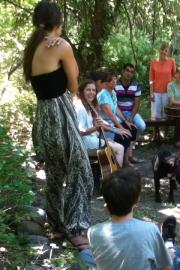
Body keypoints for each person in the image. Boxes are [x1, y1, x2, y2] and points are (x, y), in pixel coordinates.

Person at [23, 1, 93, 246]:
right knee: (81, 171)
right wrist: (65, 50)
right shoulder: (61, 46)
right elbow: (75, 87)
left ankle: (56, 226)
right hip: (60, 113)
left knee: (55, 173)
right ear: (58, 21)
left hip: (43, 117)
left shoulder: (31, 48)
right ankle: (76, 229)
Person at [88, 168, 173, 270]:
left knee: (85, 254)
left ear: (106, 202)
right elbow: (166, 268)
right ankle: (170, 243)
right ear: (137, 200)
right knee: (172, 254)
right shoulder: (150, 229)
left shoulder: (92, 232)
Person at [74, 79, 124, 167]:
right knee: (119, 149)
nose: (91, 92)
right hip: (84, 145)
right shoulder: (80, 108)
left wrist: (103, 139)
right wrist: (96, 128)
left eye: (93, 90)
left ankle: (109, 174)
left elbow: (93, 128)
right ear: (81, 91)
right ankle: (115, 178)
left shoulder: (87, 105)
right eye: (88, 90)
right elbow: (79, 132)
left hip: (90, 140)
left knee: (113, 142)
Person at [97, 69, 138, 167]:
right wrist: (120, 128)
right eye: (112, 80)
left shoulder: (113, 93)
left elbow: (116, 110)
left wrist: (125, 122)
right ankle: (124, 162)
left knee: (132, 129)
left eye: (115, 79)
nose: (115, 81)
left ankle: (127, 158)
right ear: (106, 83)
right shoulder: (103, 94)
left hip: (113, 123)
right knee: (124, 135)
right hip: (105, 126)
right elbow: (110, 115)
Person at [115, 63, 146, 159]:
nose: (129, 73)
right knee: (120, 126)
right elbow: (114, 104)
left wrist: (131, 117)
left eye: (131, 72)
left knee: (141, 126)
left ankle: (131, 147)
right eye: (127, 70)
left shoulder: (136, 85)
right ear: (123, 71)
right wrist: (125, 119)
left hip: (131, 112)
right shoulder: (115, 84)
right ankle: (121, 150)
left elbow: (137, 104)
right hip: (118, 112)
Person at [149, 43, 176, 120]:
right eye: (162, 49)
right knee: (155, 116)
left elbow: (175, 77)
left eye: (166, 50)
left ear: (168, 53)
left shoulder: (172, 61)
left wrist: (173, 92)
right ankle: (155, 132)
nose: (163, 52)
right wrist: (151, 93)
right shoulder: (153, 62)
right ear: (159, 50)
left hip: (168, 92)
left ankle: (165, 132)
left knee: (166, 115)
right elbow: (151, 79)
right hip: (156, 92)